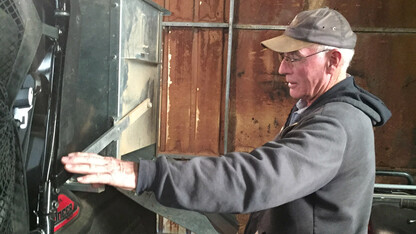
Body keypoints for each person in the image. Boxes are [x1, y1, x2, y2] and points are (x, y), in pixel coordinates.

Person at [62, 7, 392, 234]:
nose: (281, 69)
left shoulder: (338, 124)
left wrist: (140, 173)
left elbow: (260, 178)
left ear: (332, 61)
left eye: (293, 58)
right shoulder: (313, 107)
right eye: (283, 57)